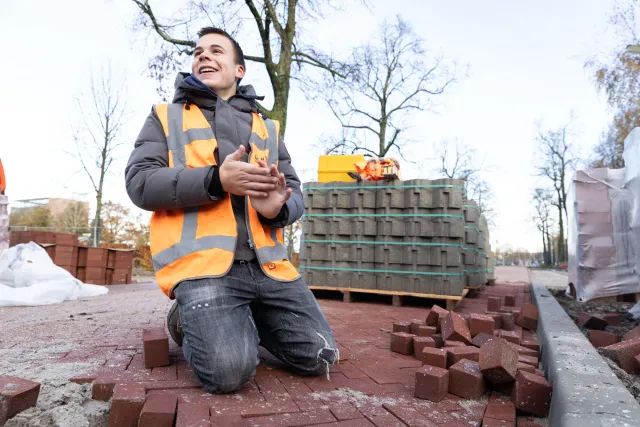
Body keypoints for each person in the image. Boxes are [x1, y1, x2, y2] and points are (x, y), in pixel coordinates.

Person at [125, 27, 338, 394]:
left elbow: (295, 190)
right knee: (228, 374)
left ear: (239, 70)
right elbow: (140, 183)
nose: (203, 56)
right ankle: (186, 317)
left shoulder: (268, 128)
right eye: (198, 52)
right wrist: (214, 181)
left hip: (269, 267)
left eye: (216, 51)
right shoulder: (165, 116)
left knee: (321, 356)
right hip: (204, 268)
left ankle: (241, 316)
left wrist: (279, 209)